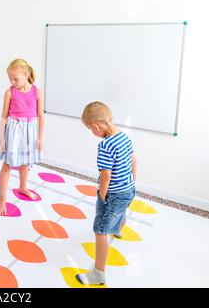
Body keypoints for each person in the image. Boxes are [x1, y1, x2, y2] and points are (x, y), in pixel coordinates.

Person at [76, 101, 137, 285]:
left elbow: (106, 175)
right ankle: (117, 229)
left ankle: (98, 273)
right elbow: (134, 160)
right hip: (129, 188)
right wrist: (132, 182)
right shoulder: (125, 137)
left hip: (113, 194)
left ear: (96, 126)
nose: (92, 133)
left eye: (90, 130)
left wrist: (102, 196)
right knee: (121, 209)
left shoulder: (105, 145)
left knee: (100, 229)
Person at [0, 59, 44, 215]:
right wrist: (2, 139)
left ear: (26, 74)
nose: (12, 81)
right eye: (10, 78)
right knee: (8, 164)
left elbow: (40, 116)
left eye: (15, 78)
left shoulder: (37, 91)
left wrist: (40, 138)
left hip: (30, 129)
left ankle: (23, 187)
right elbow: (4, 116)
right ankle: (2, 198)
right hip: (14, 129)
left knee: (25, 161)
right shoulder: (10, 92)